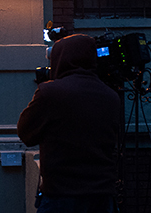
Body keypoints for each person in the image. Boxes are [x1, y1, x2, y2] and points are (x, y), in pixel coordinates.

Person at [17, 34, 121, 213]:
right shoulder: (111, 96)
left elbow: (25, 132)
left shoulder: (51, 93)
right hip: (102, 196)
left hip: (61, 195)